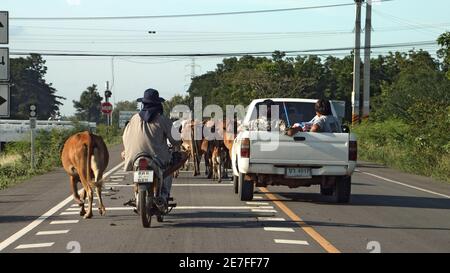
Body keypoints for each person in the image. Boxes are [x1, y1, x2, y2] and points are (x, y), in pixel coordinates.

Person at [122, 88, 182, 204]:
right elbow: (175, 140)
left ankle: (137, 194)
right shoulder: (163, 119)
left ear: (143, 104)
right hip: (157, 158)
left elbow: (125, 137)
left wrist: (127, 151)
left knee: (136, 171)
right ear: (158, 104)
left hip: (135, 157)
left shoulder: (134, 119)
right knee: (169, 169)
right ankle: (164, 195)